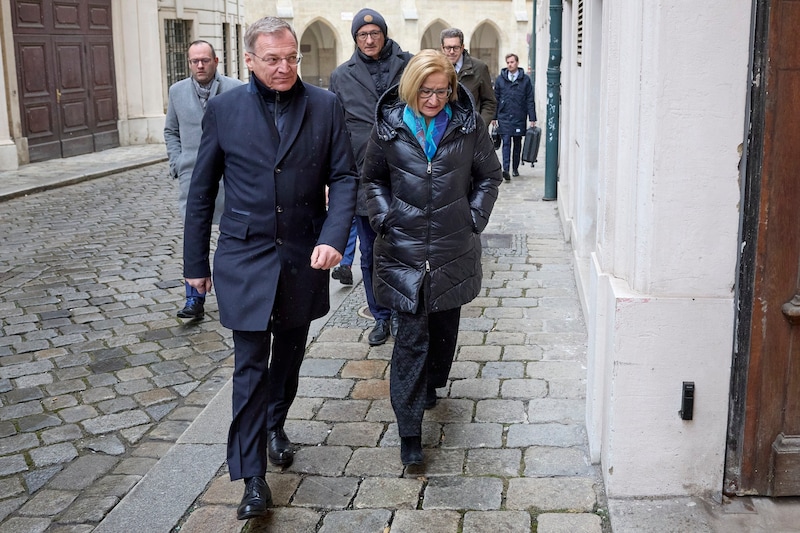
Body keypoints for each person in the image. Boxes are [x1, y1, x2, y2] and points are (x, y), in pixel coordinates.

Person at [182, 17, 357, 520]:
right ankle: (252, 476)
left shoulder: (324, 105)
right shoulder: (224, 109)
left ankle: (276, 423)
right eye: (273, 59)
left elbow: (344, 177)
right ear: (250, 61)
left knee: (290, 357)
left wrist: (333, 237)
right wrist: (195, 263)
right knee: (250, 365)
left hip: (304, 256)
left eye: (292, 57)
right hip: (244, 257)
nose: (285, 67)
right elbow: (202, 191)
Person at [362, 50, 502, 466]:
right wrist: (384, 216)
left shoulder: (467, 125)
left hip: (451, 245)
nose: (434, 99)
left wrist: (472, 217)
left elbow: (488, 176)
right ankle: (409, 433)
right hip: (402, 248)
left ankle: (431, 383)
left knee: (443, 330)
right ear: (410, 87)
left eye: (442, 91)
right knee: (409, 339)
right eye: (426, 91)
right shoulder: (388, 127)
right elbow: (371, 178)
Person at [329, 8, 412, 345]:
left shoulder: (407, 64)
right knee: (371, 252)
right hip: (365, 177)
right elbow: (336, 129)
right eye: (362, 35)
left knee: (407, 248)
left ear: (384, 34)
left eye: (374, 33)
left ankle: (408, 309)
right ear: (355, 39)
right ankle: (381, 315)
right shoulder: (341, 75)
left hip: (407, 172)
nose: (368, 39)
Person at [165, 40, 242, 319]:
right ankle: (193, 300)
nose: (199, 65)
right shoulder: (177, 92)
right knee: (193, 236)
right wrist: (177, 163)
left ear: (216, 61)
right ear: (189, 63)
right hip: (193, 176)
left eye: (205, 60)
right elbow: (171, 131)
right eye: (194, 61)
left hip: (228, 176)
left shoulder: (235, 89)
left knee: (231, 235)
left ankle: (233, 292)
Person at [492, 53, 537, 181]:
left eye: (512, 62)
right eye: (508, 62)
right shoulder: (500, 79)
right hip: (504, 116)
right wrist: (494, 117)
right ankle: (506, 169)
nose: (510, 65)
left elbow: (530, 99)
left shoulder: (525, 80)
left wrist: (532, 118)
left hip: (519, 115)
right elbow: (496, 98)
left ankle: (515, 168)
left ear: (517, 63)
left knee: (517, 143)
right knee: (506, 142)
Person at [440, 28, 496, 127]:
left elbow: (489, 102)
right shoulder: (436, 68)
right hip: (443, 129)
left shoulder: (479, 68)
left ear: (462, 47)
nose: (452, 52)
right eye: (448, 48)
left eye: (456, 48)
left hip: (470, 129)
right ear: (442, 48)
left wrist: (480, 126)